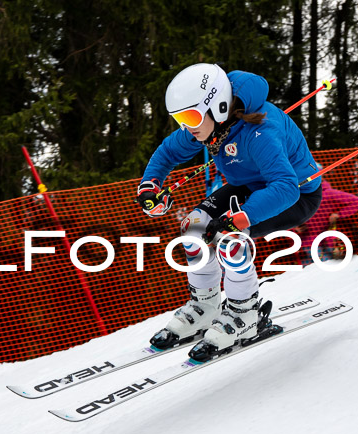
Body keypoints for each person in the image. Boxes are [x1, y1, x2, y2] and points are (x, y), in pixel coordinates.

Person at [136, 63, 323, 361]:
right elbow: (169, 151)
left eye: (190, 117)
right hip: (247, 185)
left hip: (295, 194)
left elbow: (286, 187)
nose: (187, 126)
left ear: (218, 106)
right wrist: (150, 185)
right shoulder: (207, 123)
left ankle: (244, 313)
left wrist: (243, 217)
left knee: (228, 238)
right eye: (179, 118)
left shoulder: (261, 133)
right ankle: (205, 305)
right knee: (194, 227)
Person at [293, 177, 358, 266]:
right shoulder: (300, 198)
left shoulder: (329, 193)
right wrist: (295, 228)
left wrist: (339, 214)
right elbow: (287, 219)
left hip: (328, 243)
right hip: (308, 244)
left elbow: (357, 201)